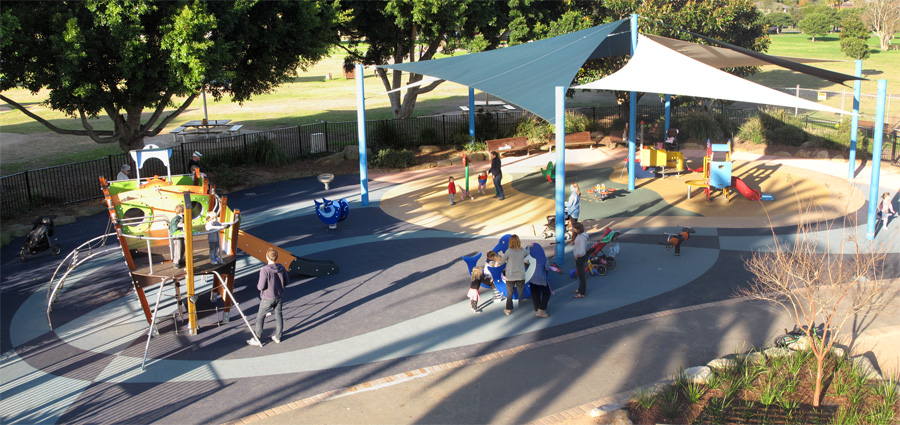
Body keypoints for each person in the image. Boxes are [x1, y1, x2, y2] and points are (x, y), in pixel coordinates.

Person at [248, 248, 288, 346]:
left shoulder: (265, 270)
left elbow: (261, 286)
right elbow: (286, 281)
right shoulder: (281, 267)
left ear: (267, 256)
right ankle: (278, 336)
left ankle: (257, 337)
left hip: (267, 297)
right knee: (278, 316)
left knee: (260, 317)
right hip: (279, 295)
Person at [499, 234, 526, 315]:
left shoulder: (508, 251)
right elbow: (528, 256)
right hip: (520, 275)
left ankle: (508, 309)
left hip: (510, 275)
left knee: (509, 293)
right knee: (521, 291)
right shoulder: (523, 250)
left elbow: (501, 262)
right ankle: (522, 306)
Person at [527, 243, 551, 318]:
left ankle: (537, 307)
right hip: (540, 277)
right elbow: (546, 267)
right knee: (547, 293)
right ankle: (541, 310)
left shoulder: (527, 253)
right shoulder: (541, 257)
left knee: (535, 292)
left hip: (531, 276)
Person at [572, 222, 589, 299]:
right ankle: (580, 289)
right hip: (580, 257)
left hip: (580, 258)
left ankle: (582, 293)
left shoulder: (582, 237)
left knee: (581, 276)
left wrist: (577, 256)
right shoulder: (580, 235)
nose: (573, 229)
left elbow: (582, 250)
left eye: (574, 228)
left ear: (578, 229)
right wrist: (574, 243)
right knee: (580, 275)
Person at [169, 204, 185, 269]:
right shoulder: (178, 218)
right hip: (177, 235)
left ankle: (180, 259)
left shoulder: (178, 217)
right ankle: (176, 262)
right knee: (178, 248)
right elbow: (178, 225)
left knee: (181, 247)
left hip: (179, 234)